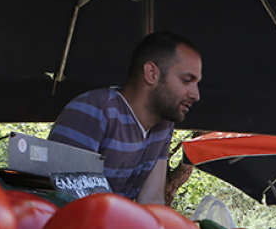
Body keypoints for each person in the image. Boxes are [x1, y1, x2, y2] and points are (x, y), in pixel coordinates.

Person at [48, 31, 202, 204]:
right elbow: (67, 200)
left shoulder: (163, 127)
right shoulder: (93, 110)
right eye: (187, 80)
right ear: (151, 74)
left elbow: (152, 200)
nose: (196, 95)